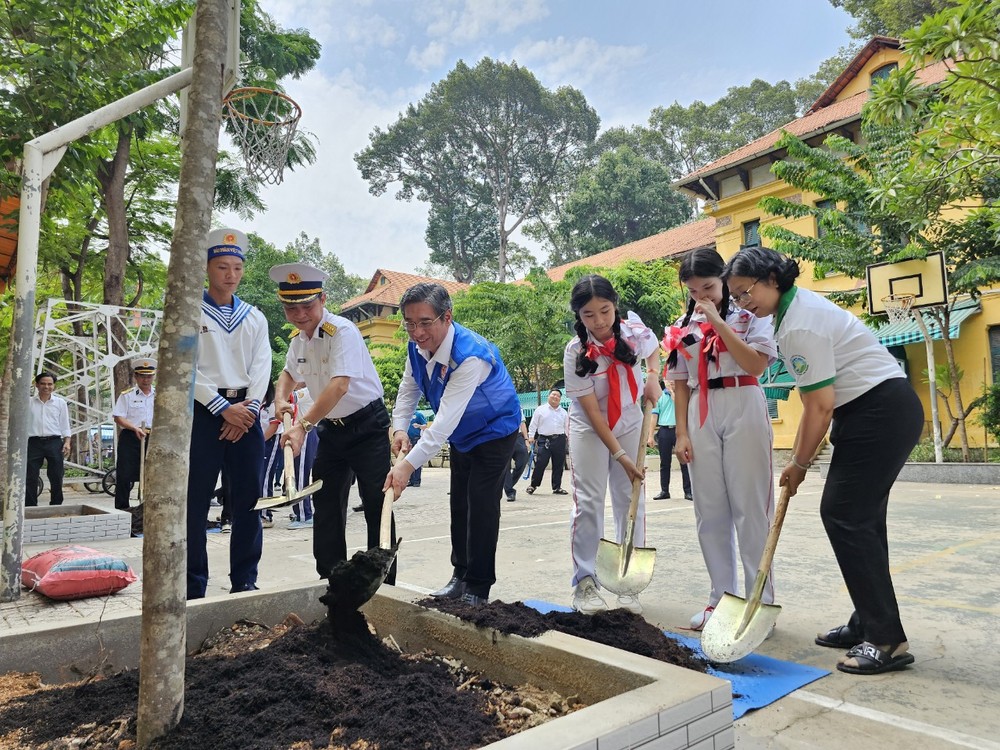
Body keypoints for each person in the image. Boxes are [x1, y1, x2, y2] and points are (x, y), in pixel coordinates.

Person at [724, 246, 922, 676]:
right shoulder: (791, 314)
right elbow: (824, 404)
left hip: (880, 411)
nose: (743, 303)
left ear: (773, 279)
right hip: (867, 411)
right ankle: (869, 620)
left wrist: (797, 463)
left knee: (844, 515)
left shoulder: (800, 324)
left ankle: (887, 638)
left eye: (746, 292)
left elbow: (818, 406)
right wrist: (803, 457)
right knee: (861, 520)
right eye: (736, 298)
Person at [384, 282, 521, 606]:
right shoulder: (415, 350)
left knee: (481, 504)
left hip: (495, 430)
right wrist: (399, 430)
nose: (417, 332)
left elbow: (443, 422)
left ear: (447, 317)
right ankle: (459, 577)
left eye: (425, 323)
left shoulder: (470, 355)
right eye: (410, 323)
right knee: (459, 504)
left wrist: (405, 467)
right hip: (463, 434)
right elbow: (407, 393)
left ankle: (478, 587)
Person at [665, 247, 777, 632]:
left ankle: (759, 601)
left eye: (709, 287)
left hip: (743, 398)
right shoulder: (684, 326)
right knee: (709, 511)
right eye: (694, 292)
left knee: (751, 506)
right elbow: (679, 382)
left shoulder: (753, 315)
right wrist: (681, 433)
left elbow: (757, 364)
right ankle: (720, 599)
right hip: (701, 408)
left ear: (724, 280)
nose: (702, 297)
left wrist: (718, 321)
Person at [270, 262, 395, 586]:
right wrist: (280, 399)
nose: (299, 315)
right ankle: (332, 579)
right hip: (332, 431)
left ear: (323, 299)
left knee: (376, 503)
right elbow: (287, 375)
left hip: (367, 426)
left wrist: (301, 426)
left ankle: (381, 582)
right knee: (326, 501)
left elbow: (339, 385)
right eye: (290, 308)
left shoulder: (343, 332)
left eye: (306, 306)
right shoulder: (299, 341)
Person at [563, 275, 661, 615]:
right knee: (589, 501)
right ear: (579, 316)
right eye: (589, 315)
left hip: (631, 421)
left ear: (614, 305)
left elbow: (654, 354)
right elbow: (592, 413)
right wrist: (619, 455)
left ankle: (627, 582)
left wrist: (652, 378)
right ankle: (585, 581)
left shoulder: (634, 331)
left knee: (630, 499)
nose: (599, 321)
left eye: (605, 311)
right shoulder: (575, 352)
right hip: (590, 429)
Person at [186, 227, 271, 599]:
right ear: (207, 268)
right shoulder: (188, 312)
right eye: (222, 266)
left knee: (250, 502)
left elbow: (262, 365)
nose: (230, 274)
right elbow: (183, 367)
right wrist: (223, 409)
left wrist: (248, 410)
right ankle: (192, 584)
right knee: (195, 501)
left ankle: (245, 580)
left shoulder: (255, 317)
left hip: (247, 413)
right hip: (205, 414)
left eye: (237, 267)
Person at [111, 357, 156, 510]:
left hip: (153, 438)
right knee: (124, 474)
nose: (146, 379)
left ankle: (150, 507)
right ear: (136, 377)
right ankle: (122, 509)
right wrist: (135, 428)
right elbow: (118, 417)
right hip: (131, 437)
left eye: (149, 376)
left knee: (154, 474)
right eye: (142, 376)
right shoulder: (127, 395)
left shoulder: (160, 395)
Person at [26, 371, 72, 506]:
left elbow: (65, 424)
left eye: (50, 384)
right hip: (33, 442)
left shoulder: (60, 403)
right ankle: (30, 507)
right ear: (37, 385)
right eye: (43, 384)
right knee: (30, 476)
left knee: (57, 475)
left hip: (54, 442)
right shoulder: (28, 403)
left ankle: (56, 505)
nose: (46, 387)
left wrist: (67, 442)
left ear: (54, 386)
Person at [647, 380, 692, 501]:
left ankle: (688, 491)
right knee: (664, 462)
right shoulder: (660, 396)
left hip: (679, 430)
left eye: (672, 379)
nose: (671, 381)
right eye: (668, 379)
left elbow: (682, 408)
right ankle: (664, 490)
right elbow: (654, 415)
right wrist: (650, 435)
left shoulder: (682, 394)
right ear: (664, 381)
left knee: (684, 462)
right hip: (664, 430)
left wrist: (673, 392)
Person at [526, 388, 570, 495]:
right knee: (541, 463)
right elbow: (533, 425)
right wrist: (531, 436)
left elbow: (567, 427)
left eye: (558, 396)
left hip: (559, 440)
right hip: (544, 439)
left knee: (559, 464)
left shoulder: (563, 412)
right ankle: (533, 485)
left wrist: (570, 439)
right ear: (549, 396)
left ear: (560, 398)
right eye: (553, 395)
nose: (555, 397)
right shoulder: (540, 410)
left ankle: (557, 487)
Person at [504, 416, 531, 502]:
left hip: (517, 436)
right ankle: (510, 492)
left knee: (523, 459)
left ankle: (508, 484)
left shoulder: (516, 404)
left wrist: (526, 439)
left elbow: (522, 423)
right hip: (502, 437)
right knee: (505, 467)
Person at [407, 410, 427, 487]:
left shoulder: (418, 415)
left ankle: (417, 480)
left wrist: (418, 426)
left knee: (417, 460)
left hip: (416, 439)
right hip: (408, 440)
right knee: (409, 460)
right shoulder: (407, 415)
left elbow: (425, 426)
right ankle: (411, 480)